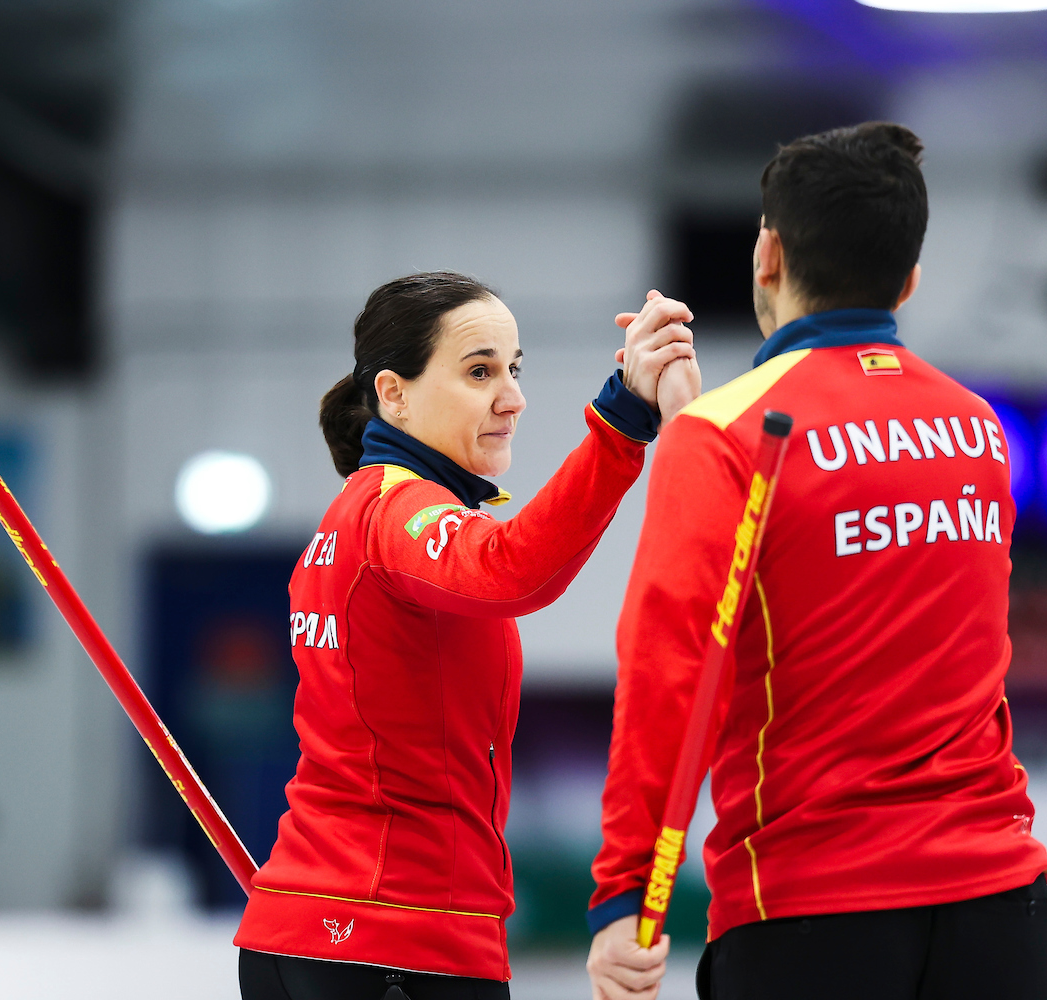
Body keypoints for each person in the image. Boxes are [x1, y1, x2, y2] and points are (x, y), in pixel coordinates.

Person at [585, 124, 1047, 1000]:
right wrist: (701, 425)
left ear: (766, 252)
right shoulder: (978, 429)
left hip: (810, 908)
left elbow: (668, 670)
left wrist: (623, 892)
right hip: (1000, 907)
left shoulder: (728, 437)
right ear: (910, 279)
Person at [234, 271, 702, 1000]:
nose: (512, 398)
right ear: (394, 392)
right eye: (480, 371)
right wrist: (620, 423)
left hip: (332, 930)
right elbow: (513, 571)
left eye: (513, 370)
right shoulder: (396, 512)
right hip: (396, 938)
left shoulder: (351, 518)